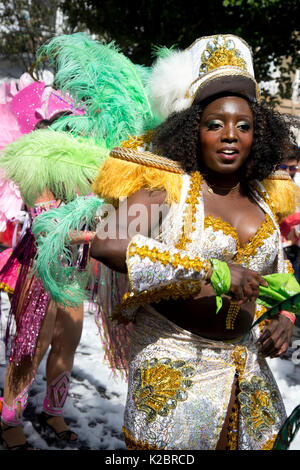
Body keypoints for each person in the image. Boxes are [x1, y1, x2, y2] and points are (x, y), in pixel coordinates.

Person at [89, 34, 299, 450]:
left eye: (244, 126)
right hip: (174, 372)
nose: (229, 135)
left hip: (246, 372)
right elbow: (106, 243)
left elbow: (281, 274)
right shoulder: (168, 186)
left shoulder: (261, 195)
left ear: (258, 135)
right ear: (193, 131)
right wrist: (211, 271)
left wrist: (285, 319)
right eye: (214, 124)